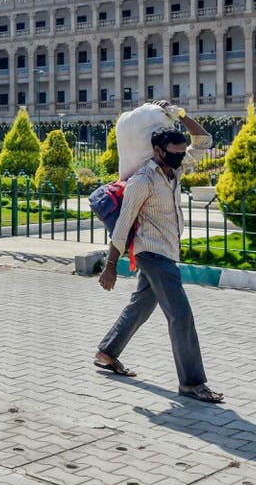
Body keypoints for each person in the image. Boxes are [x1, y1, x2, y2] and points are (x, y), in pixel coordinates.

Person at [95, 102, 223, 403]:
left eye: (182, 153)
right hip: (152, 253)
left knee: (141, 306)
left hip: (167, 249)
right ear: (157, 151)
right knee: (181, 315)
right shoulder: (143, 181)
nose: (181, 157)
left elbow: (204, 142)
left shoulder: (174, 170)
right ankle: (192, 382)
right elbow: (123, 225)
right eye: (175, 153)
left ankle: (107, 351)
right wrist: (110, 265)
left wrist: (181, 115)